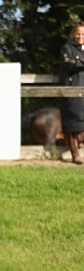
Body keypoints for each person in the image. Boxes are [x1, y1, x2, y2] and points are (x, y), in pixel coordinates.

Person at [59, 21, 84, 164]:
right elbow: (68, 64)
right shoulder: (66, 48)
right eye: (78, 34)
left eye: (83, 34)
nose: (81, 37)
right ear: (73, 34)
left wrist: (78, 60)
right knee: (72, 123)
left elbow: (76, 63)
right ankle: (75, 154)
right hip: (72, 90)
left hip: (83, 91)